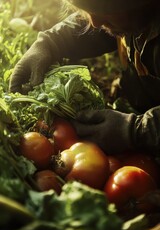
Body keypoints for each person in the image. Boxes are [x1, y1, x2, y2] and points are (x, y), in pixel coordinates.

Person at [9, 0, 160, 157]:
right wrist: (51, 42)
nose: (94, 23)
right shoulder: (131, 16)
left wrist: (138, 131)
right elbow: (98, 27)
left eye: (106, 13)